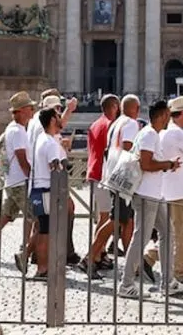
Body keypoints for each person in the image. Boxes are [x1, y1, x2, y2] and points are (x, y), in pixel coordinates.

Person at [118, 99, 179, 299]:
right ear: (163, 115)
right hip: (146, 194)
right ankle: (126, 284)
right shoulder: (149, 135)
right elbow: (146, 164)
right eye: (168, 115)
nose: (170, 119)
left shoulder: (152, 134)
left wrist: (167, 165)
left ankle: (168, 282)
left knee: (167, 233)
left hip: (156, 194)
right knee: (141, 238)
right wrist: (168, 165)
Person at [0, 91, 36, 273]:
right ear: (22, 110)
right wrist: (32, 177)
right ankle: (25, 254)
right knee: (38, 220)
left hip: (12, 182)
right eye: (30, 108)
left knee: (3, 218)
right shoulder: (18, 131)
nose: (33, 111)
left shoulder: (13, 128)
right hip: (20, 183)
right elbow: (22, 158)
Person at [86, 94, 140, 278]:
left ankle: (131, 264)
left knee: (126, 221)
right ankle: (90, 257)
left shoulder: (114, 123)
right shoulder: (130, 124)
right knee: (114, 220)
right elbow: (128, 148)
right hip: (122, 179)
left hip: (109, 175)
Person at [159, 96, 183, 292]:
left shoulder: (168, 132)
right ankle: (181, 275)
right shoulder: (178, 134)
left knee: (171, 233)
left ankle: (147, 258)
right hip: (180, 192)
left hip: (169, 190)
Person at [28, 107, 68, 279]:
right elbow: (55, 168)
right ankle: (43, 268)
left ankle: (40, 264)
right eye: (58, 116)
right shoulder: (51, 143)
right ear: (52, 120)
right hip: (46, 190)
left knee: (42, 229)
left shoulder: (41, 138)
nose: (61, 118)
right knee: (46, 231)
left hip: (38, 188)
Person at [84, 95, 119, 269]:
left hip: (93, 171)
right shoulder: (111, 125)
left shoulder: (95, 124)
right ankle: (95, 255)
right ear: (114, 106)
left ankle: (101, 252)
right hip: (103, 174)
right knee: (107, 218)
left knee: (103, 216)